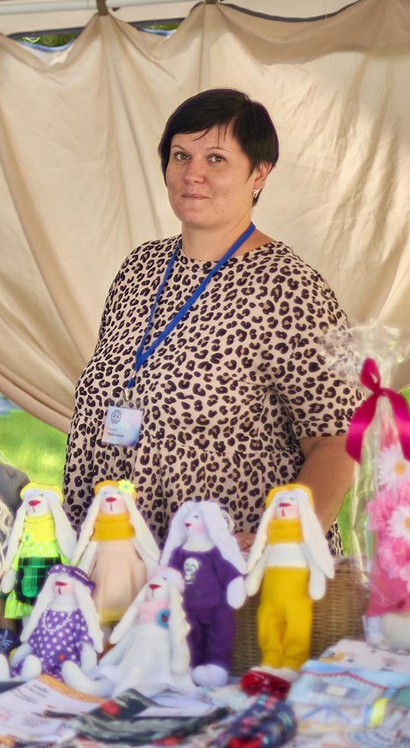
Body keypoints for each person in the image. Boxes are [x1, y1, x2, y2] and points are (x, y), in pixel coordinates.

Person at [64, 89, 359, 551]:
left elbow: (336, 442)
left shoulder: (287, 287)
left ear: (259, 173)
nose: (192, 174)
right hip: (121, 561)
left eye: (216, 159)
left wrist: (280, 543)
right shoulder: (139, 268)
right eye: (180, 155)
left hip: (234, 572)